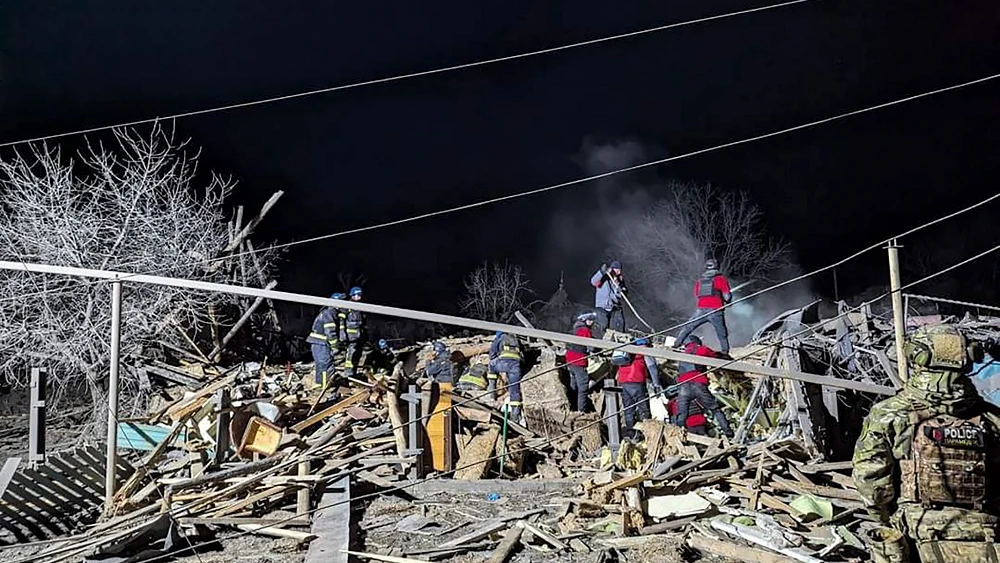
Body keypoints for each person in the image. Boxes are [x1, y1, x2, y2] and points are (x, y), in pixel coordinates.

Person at [852, 325, 1000, 563]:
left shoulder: (889, 414)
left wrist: (884, 520)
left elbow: (871, 482)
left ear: (917, 357)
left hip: (917, 533)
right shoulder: (992, 418)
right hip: (987, 535)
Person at [674, 335, 733, 438]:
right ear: (697, 342)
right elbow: (715, 356)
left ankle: (678, 437)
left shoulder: (681, 355)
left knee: (682, 415)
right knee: (715, 409)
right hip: (698, 384)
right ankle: (728, 432)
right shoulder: (701, 349)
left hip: (683, 387)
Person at [675, 259, 732, 354]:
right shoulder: (721, 279)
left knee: (688, 327)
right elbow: (727, 296)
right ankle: (725, 351)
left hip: (701, 310)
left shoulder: (700, 280)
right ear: (717, 267)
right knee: (722, 333)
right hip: (716, 310)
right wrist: (727, 299)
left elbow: (697, 294)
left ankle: (677, 344)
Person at [616, 338, 662, 441]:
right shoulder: (644, 350)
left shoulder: (627, 350)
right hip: (637, 381)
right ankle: (648, 433)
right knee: (643, 408)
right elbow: (652, 367)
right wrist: (656, 384)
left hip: (624, 382)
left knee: (629, 409)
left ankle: (631, 434)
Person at [305, 292, 345, 388]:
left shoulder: (327, 312)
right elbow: (330, 332)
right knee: (325, 364)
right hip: (321, 343)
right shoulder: (329, 314)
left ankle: (320, 385)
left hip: (318, 343)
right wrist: (335, 346)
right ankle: (325, 387)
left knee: (321, 364)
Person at [487, 331, 524, 421]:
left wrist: (496, 358)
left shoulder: (499, 338)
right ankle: (515, 417)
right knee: (514, 391)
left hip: (503, 363)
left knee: (491, 365)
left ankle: (492, 392)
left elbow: (492, 353)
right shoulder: (516, 339)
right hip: (515, 366)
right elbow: (523, 356)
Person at [566, 311, 597, 412]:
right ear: (584, 320)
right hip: (579, 362)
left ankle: (572, 407)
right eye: (590, 320)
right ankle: (581, 411)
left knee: (573, 386)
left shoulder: (575, 329)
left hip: (570, 362)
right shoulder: (584, 330)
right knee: (583, 387)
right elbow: (591, 347)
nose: (592, 322)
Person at [590, 260, 627, 334]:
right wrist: (601, 272)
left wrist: (620, 290)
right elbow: (593, 281)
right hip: (602, 306)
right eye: (617, 270)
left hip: (614, 307)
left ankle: (618, 341)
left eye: (620, 270)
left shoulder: (619, 280)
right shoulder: (604, 277)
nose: (619, 272)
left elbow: (622, 294)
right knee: (603, 326)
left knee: (618, 326)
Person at [340, 286, 366, 378]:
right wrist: (342, 334)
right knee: (351, 354)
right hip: (350, 336)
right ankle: (348, 374)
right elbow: (342, 321)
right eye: (357, 295)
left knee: (357, 355)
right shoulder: (348, 306)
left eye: (360, 295)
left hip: (359, 336)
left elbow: (363, 322)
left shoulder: (360, 307)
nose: (359, 297)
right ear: (352, 295)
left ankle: (353, 373)